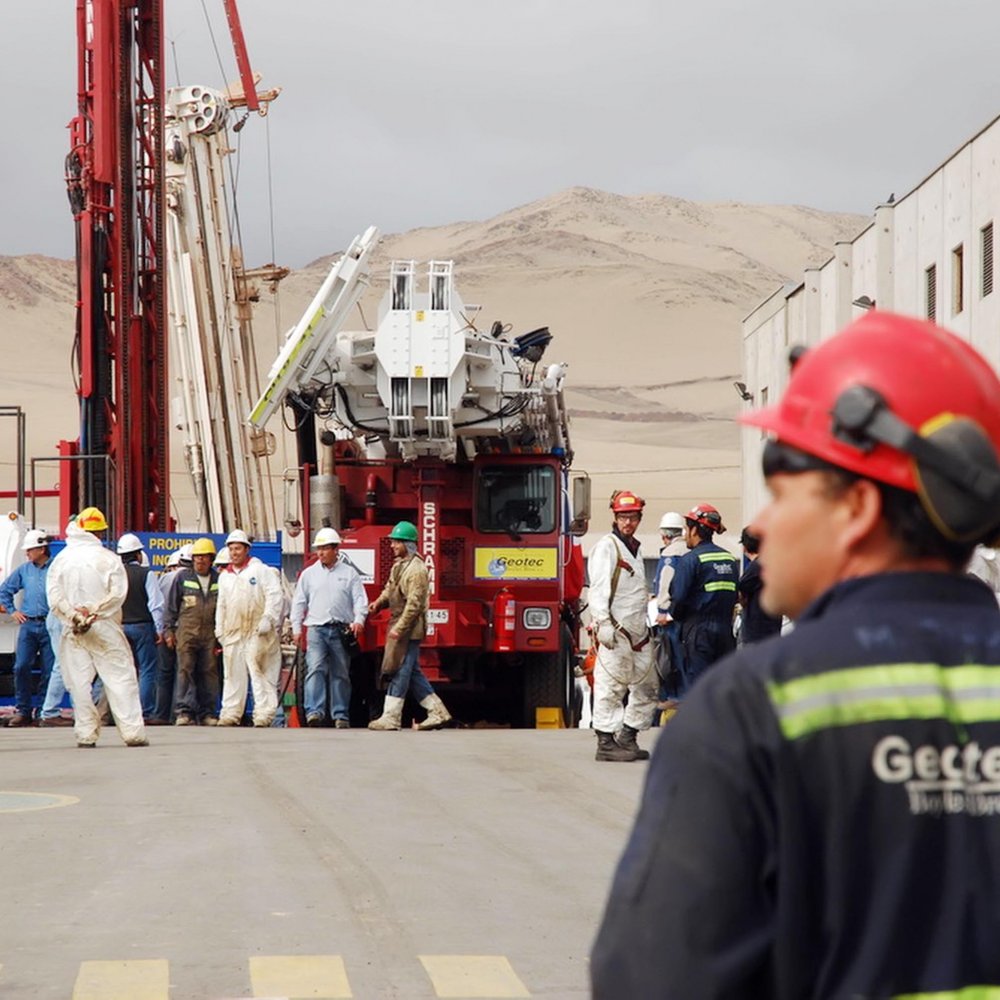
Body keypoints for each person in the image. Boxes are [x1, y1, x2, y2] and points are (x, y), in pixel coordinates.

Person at [592, 311, 1000, 997]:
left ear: (859, 508)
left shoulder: (749, 713)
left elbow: (652, 978)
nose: (762, 525)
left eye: (782, 493)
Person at [46, 507, 147, 748]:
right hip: (104, 627)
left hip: (74, 628)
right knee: (120, 678)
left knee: (78, 683)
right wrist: (94, 612)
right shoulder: (108, 558)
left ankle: (86, 733)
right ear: (100, 531)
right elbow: (117, 594)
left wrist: (74, 616)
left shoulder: (62, 559)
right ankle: (132, 732)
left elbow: (54, 597)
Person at [586, 491, 658, 761]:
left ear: (639, 518)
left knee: (647, 686)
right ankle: (605, 742)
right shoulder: (607, 547)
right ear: (615, 517)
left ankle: (628, 736)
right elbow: (598, 588)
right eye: (623, 517)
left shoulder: (635, 548)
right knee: (611, 685)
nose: (628, 522)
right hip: (616, 631)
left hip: (638, 632)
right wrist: (602, 622)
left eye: (632, 517)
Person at [367, 521, 452, 731]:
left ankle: (391, 717)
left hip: (408, 629)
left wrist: (400, 628)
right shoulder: (399, 566)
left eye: (397, 541)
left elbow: (414, 605)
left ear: (409, 543)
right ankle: (437, 712)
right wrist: (378, 604)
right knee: (412, 672)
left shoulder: (417, 570)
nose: (392, 545)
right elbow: (390, 589)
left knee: (400, 670)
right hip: (399, 624)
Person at [291, 528, 367, 728]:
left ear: (336, 549)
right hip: (316, 629)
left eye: (325, 548)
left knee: (340, 672)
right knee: (315, 669)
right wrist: (296, 628)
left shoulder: (349, 574)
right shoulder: (309, 575)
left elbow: (360, 599)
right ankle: (314, 712)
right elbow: (299, 602)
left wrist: (359, 619)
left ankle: (340, 715)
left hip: (341, 630)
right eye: (319, 549)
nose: (321, 553)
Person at [214, 529, 284, 727]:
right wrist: (219, 627)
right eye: (231, 549)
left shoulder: (259, 571)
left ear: (246, 549)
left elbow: (274, 594)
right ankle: (230, 712)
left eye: (238, 548)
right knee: (232, 674)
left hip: (257, 631)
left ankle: (263, 714)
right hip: (233, 632)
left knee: (259, 670)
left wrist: (268, 618)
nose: (234, 552)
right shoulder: (225, 576)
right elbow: (222, 604)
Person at [667, 502, 739, 688]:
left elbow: (678, 599)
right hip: (725, 633)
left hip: (698, 634)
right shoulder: (729, 559)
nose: (685, 535)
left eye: (686, 529)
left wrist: (680, 618)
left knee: (699, 691)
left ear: (694, 530)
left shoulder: (689, 561)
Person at [0, 529, 56, 726]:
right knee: (21, 666)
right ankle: (23, 710)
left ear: (41, 549)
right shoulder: (24, 570)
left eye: (30, 550)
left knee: (50, 670)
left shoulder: (56, 568)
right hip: (29, 624)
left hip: (50, 624)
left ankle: (43, 710)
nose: (27, 554)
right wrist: (13, 610)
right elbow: (4, 590)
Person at [165, 537, 221, 725]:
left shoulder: (218, 579)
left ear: (211, 559)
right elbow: (171, 607)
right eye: (197, 557)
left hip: (210, 635)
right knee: (185, 670)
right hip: (186, 633)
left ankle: (208, 712)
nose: (200, 561)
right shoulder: (182, 578)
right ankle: (184, 712)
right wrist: (169, 631)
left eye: (204, 557)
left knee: (209, 672)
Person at [117, 532, 165, 723]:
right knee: (147, 669)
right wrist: (160, 630)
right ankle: (144, 712)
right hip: (142, 626)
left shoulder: (115, 575)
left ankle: (122, 712)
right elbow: (156, 604)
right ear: (138, 555)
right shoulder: (147, 574)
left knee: (122, 671)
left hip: (120, 627)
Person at [651, 511, 687, 707]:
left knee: (668, 657)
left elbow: (665, 583)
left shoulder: (669, 554)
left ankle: (672, 696)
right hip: (687, 615)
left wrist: (663, 609)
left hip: (670, 617)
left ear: (665, 535)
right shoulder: (691, 550)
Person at [737, 525, 783, 644]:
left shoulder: (757, 566)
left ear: (745, 547)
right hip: (773, 628)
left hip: (757, 632)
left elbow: (740, 590)